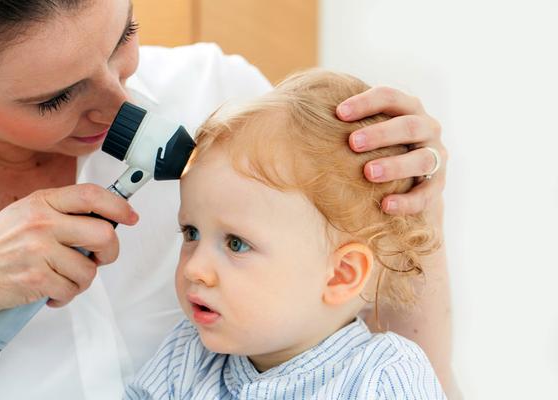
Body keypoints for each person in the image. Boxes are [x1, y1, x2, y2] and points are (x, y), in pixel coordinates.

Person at [0, 0, 454, 398]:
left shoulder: (227, 108)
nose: (119, 99)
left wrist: (413, 213)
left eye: (124, 36)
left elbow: (393, 338)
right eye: (54, 97)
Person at [125, 69, 446, 399]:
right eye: (191, 233)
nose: (194, 269)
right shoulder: (187, 356)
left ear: (341, 274)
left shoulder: (382, 377)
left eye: (236, 243)